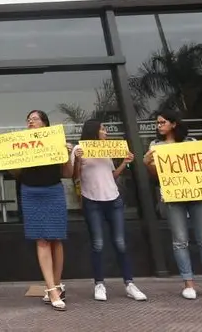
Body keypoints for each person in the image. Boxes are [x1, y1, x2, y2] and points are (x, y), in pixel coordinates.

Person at [142, 110, 202, 301]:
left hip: (198, 195)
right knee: (180, 241)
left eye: (162, 122)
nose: (159, 126)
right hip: (175, 197)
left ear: (173, 124)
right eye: (157, 123)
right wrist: (148, 164)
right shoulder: (155, 146)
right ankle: (188, 283)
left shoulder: (192, 143)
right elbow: (157, 176)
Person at [0, 110, 74, 310]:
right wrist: (2, 160)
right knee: (42, 239)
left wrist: (68, 154)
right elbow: (17, 174)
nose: (30, 121)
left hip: (53, 190)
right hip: (31, 192)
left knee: (56, 238)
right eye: (28, 119)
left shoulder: (56, 142)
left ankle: (56, 284)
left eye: (35, 119)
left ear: (45, 124)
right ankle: (51, 290)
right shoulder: (22, 145)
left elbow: (68, 173)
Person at [72, 119, 147, 302]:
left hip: (113, 200)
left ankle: (129, 283)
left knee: (120, 243)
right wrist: (78, 161)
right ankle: (99, 284)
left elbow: (111, 175)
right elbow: (74, 177)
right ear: (94, 131)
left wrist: (124, 163)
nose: (106, 132)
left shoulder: (107, 150)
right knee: (97, 244)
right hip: (92, 201)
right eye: (103, 129)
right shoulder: (78, 149)